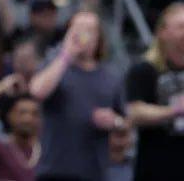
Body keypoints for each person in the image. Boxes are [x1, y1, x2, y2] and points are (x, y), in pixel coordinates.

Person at [30, 11, 126, 181]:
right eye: (77, 29)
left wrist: (114, 122)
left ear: (98, 38)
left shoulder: (111, 77)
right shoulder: (55, 66)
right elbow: (37, 91)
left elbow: (124, 121)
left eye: (89, 30)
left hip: (94, 173)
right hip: (54, 171)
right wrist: (66, 54)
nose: (83, 35)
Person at [126, 2, 184, 180]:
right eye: (181, 26)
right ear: (163, 32)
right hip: (156, 167)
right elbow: (133, 111)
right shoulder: (144, 70)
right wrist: (174, 111)